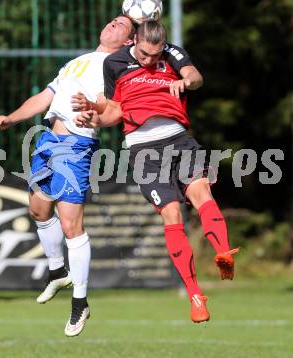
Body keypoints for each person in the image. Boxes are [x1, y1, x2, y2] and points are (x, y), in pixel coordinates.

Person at [75, 20, 239, 323]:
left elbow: (195, 76)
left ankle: (224, 253)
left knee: (201, 190)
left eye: (156, 55)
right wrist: (94, 114)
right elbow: (114, 110)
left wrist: (184, 82)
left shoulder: (171, 54)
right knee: (173, 214)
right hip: (144, 150)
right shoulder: (114, 64)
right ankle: (195, 295)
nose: (150, 61)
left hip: (179, 137)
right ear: (134, 41)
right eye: (145, 54)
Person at [0, 15, 135, 336]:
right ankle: (57, 270)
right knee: (37, 209)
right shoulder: (76, 62)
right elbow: (46, 97)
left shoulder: (117, 64)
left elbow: (113, 106)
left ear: (128, 42)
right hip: (48, 141)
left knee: (71, 225)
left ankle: (80, 302)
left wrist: (96, 109)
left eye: (122, 25)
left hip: (76, 146)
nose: (112, 24)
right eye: (113, 20)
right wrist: (11, 118)